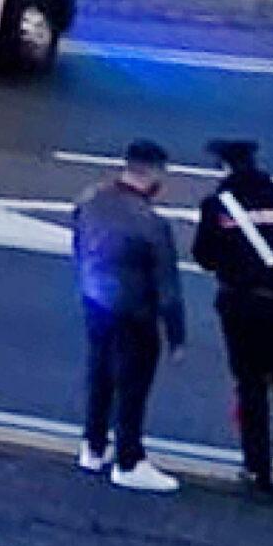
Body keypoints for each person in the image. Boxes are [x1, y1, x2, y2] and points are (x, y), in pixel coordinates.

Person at [192, 138, 273, 504]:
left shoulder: (218, 206)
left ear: (224, 167)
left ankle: (258, 467)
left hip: (243, 308)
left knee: (251, 386)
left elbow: (205, 257)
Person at [72, 140, 188, 493]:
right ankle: (129, 460)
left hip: (95, 303)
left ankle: (93, 447)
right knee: (132, 387)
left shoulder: (91, 201)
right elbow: (168, 285)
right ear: (154, 174)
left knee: (100, 375)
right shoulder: (151, 224)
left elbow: (78, 245)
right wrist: (177, 336)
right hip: (135, 313)